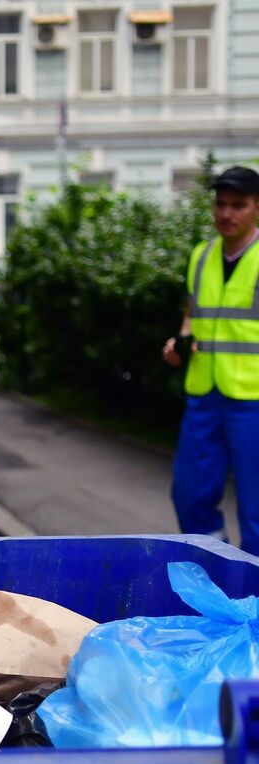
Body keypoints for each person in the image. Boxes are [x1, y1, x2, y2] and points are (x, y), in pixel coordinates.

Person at [163, 166, 259, 555]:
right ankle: (221, 573)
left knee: (256, 511)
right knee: (188, 497)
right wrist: (180, 342)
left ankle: (253, 597)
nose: (227, 213)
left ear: (257, 208)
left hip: (252, 401)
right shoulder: (201, 256)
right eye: (221, 204)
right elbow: (193, 316)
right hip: (204, 397)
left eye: (238, 205)